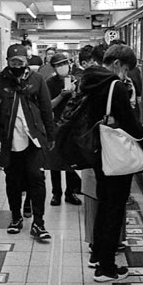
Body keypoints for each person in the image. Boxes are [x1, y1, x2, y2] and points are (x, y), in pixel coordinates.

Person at [78, 43, 143, 281]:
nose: (126, 75)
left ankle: (97, 256)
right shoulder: (114, 85)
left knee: (103, 205)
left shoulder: (89, 81)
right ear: (117, 64)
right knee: (113, 210)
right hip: (115, 155)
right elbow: (132, 126)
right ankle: (106, 268)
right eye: (126, 69)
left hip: (99, 152)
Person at [0, 43, 56, 242]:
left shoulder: (37, 80)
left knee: (36, 177)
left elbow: (45, 109)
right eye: (13, 62)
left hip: (33, 138)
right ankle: (16, 218)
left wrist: (51, 136)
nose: (17, 65)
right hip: (9, 139)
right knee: (13, 180)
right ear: (7, 62)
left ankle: (39, 222)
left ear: (27, 61)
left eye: (21, 62)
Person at [45, 51, 82, 206]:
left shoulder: (77, 80)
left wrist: (74, 92)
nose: (62, 67)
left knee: (70, 160)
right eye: (58, 65)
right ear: (54, 67)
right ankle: (56, 193)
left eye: (64, 63)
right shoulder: (49, 83)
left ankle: (70, 192)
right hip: (55, 124)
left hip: (72, 125)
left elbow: (81, 103)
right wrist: (61, 96)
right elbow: (47, 106)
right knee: (55, 160)